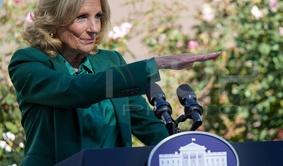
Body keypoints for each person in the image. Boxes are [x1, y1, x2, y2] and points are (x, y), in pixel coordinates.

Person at [7, 0, 220, 165]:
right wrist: (153, 64)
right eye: (82, 17)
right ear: (54, 20)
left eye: (98, 17)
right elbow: (75, 90)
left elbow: (146, 124)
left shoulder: (111, 61)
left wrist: (186, 150)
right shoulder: (28, 62)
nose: (94, 28)